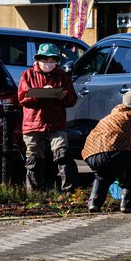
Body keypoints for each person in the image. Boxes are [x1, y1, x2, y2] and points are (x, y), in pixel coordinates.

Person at [83, 89, 131, 213]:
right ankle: (127, 204)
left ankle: (94, 204)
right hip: (115, 152)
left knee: (102, 175)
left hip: (90, 154)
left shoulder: (109, 117)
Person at [16, 43, 78, 194]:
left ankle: (68, 191)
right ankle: (35, 192)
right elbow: (22, 98)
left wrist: (63, 95)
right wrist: (39, 93)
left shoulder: (63, 76)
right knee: (33, 158)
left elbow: (72, 99)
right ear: (38, 59)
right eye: (45, 60)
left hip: (56, 122)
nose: (48, 64)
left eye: (52, 60)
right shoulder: (27, 75)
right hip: (33, 123)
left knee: (62, 153)